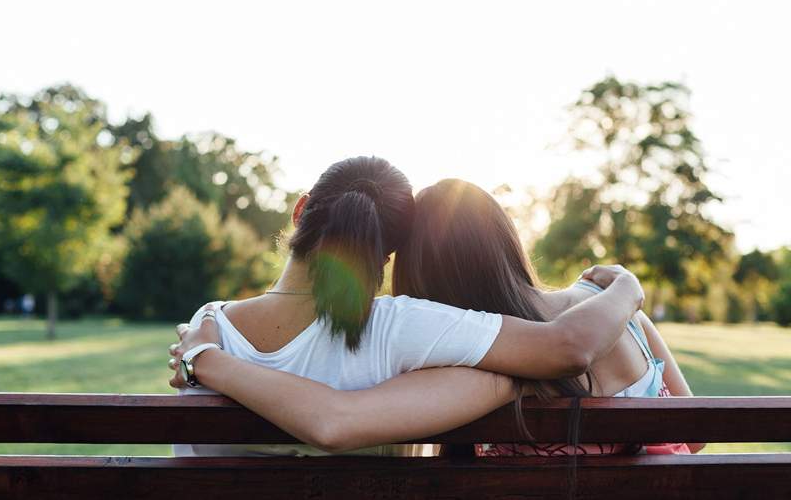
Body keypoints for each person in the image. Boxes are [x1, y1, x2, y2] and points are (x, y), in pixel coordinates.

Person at [168, 157, 645, 456]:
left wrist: (205, 360)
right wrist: (627, 288)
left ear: (301, 210)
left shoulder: (209, 325)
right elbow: (566, 346)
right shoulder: (402, 325)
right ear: (388, 252)